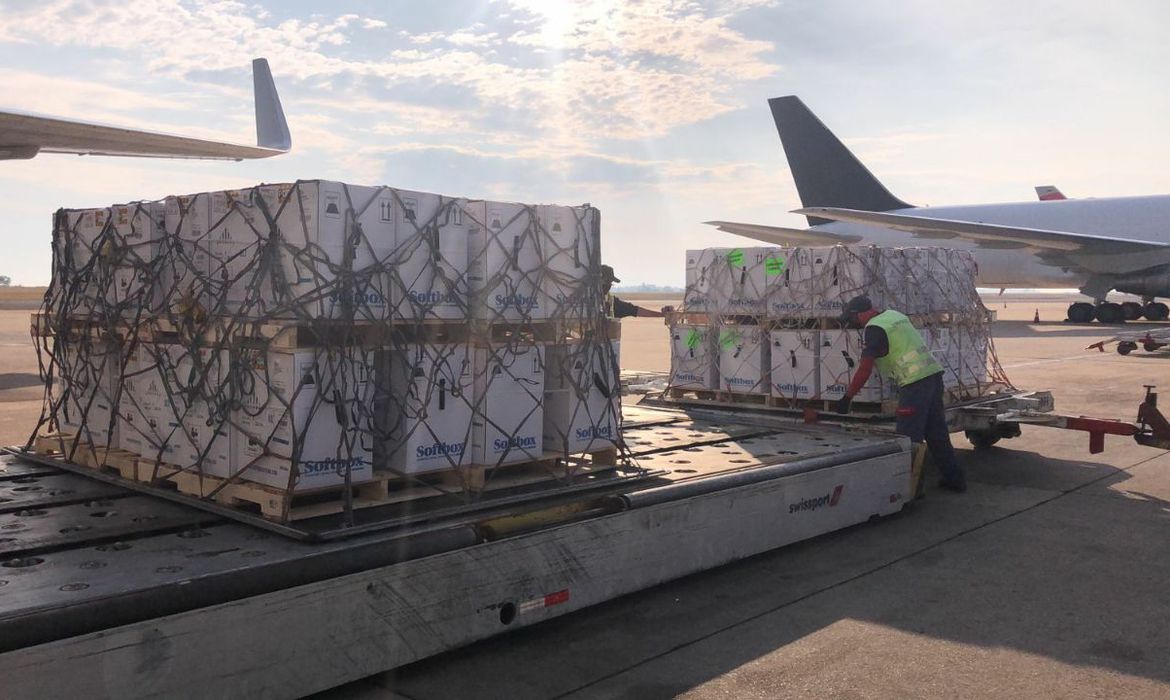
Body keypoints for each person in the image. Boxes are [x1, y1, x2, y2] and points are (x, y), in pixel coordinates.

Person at [834, 295, 967, 493]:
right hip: (932, 376)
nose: (855, 325)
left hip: (914, 384)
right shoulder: (894, 316)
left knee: (907, 438)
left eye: (853, 320)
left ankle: (909, 490)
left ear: (860, 314)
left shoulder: (874, 328)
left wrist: (847, 397)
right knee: (936, 432)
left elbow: (864, 369)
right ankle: (954, 479)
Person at [601, 264, 665, 318]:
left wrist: (663, 314)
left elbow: (635, 310)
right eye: (605, 282)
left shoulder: (612, 302)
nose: (608, 286)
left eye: (610, 283)